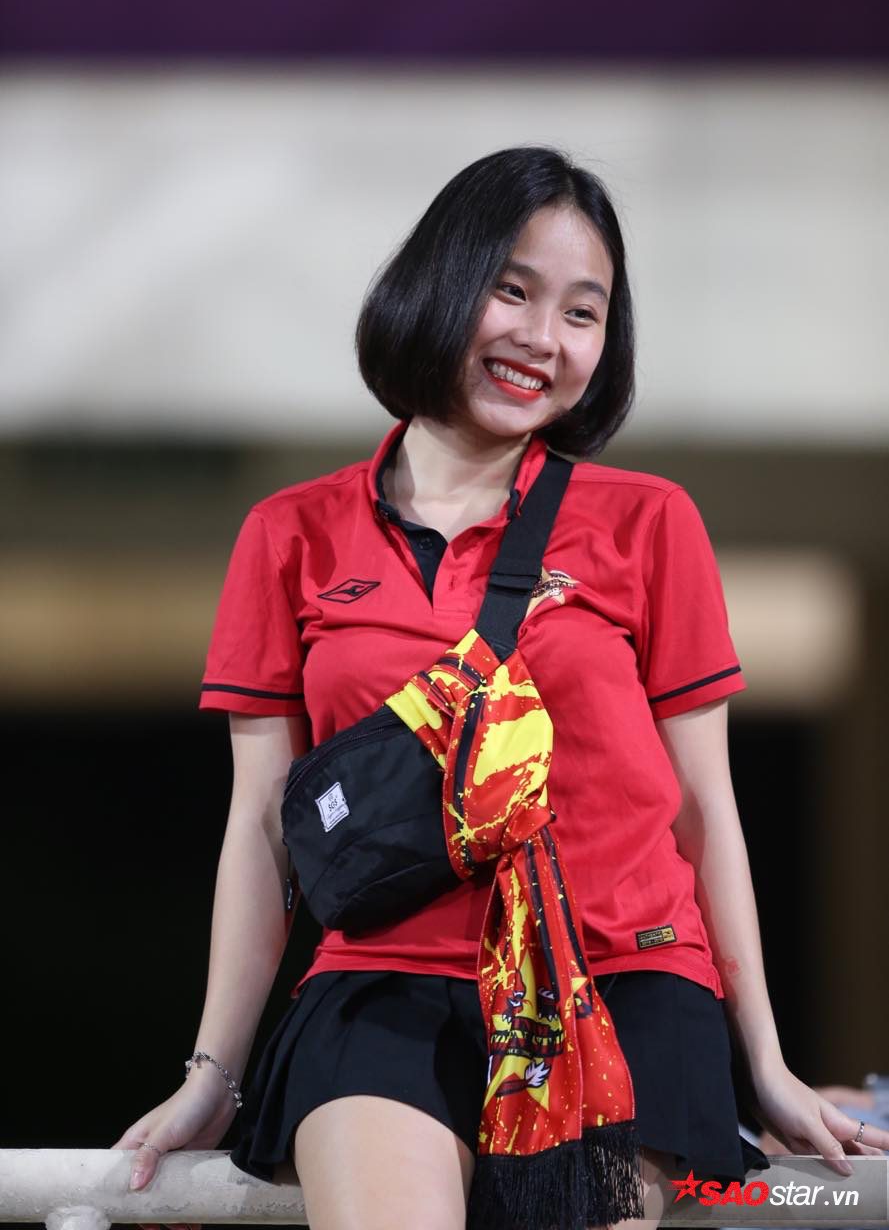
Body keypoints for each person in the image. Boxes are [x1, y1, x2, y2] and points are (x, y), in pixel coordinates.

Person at [112, 146, 889, 1230]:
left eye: (583, 312)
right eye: (512, 290)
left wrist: (763, 1059)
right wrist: (212, 1071)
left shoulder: (648, 520)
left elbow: (702, 808)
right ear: (438, 284)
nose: (542, 337)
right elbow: (263, 826)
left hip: (616, 982)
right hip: (383, 983)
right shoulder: (288, 533)